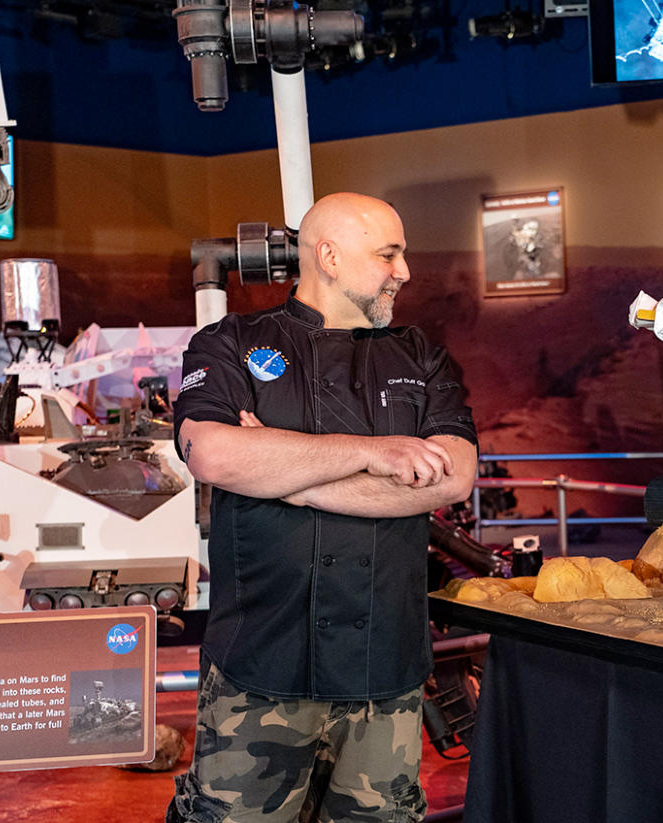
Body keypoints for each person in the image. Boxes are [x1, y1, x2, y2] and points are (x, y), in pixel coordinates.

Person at [166, 192, 478, 823]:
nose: (405, 271)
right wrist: (378, 453)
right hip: (258, 668)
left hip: (385, 677)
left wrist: (285, 476)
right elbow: (215, 458)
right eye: (389, 254)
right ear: (329, 256)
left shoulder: (422, 356)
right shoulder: (230, 343)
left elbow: (452, 478)